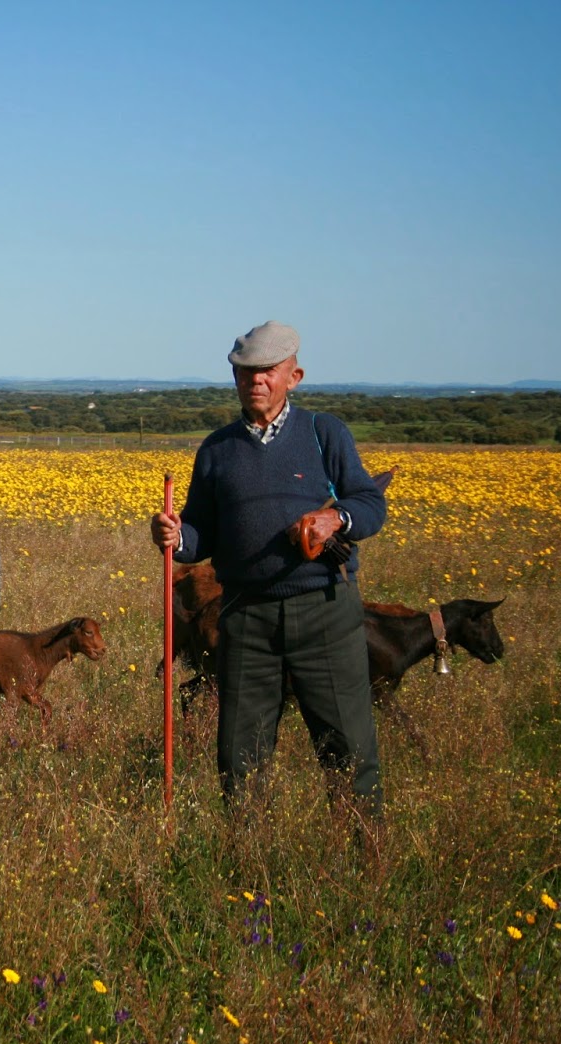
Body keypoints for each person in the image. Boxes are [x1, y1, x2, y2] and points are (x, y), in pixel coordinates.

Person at [150, 321, 387, 815]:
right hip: (244, 616)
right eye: (245, 372)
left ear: (293, 376)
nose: (255, 380)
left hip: (324, 607)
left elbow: (370, 505)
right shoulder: (217, 449)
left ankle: (369, 862)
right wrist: (176, 537)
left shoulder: (325, 434)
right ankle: (247, 867)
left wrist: (336, 518)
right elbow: (199, 535)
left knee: (348, 746)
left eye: (267, 371)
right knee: (241, 755)